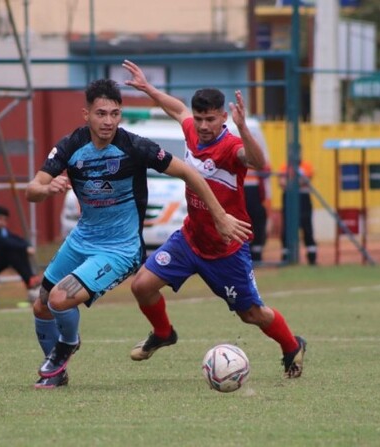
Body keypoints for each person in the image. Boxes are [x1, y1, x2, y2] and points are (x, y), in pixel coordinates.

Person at [25, 78, 252, 389]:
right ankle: (58, 372)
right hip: (82, 238)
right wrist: (45, 188)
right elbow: (32, 190)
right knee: (41, 305)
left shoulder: (134, 146)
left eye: (115, 114)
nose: (108, 121)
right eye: (101, 114)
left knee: (60, 299)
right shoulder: (71, 146)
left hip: (120, 249)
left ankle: (67, 344)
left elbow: (188, 172)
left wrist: (220, 215)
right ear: (86, 114)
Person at [122, 59, 307, 379]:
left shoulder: (231, 147)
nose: (204, 125)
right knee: (142, 286)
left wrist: (245, 128)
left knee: (251, 314)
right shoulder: (191, 129)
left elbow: (258, 162)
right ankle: (164, 333)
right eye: (200, 118)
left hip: (227, 248)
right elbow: (177, 109)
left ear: (224, 117)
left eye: (211, 119)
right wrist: (149, 89)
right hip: (190, 238)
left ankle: (292, 346)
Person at [278, 160, 317, 265]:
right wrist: (296, 182)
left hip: (303, 199)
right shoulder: (284, 167)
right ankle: (286, 256)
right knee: (287, 228)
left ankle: (312, 257)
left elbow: (305, 180)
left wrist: (290, 182)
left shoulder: (306, 166)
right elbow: (281, 182)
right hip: (288, 198)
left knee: (307, 227)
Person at [244, 165, 271, 263]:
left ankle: (257, 254)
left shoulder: (257, 160)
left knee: (258, 224)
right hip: (242, 196)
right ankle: (248, 252)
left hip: (255, 197)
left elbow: (267, 170)